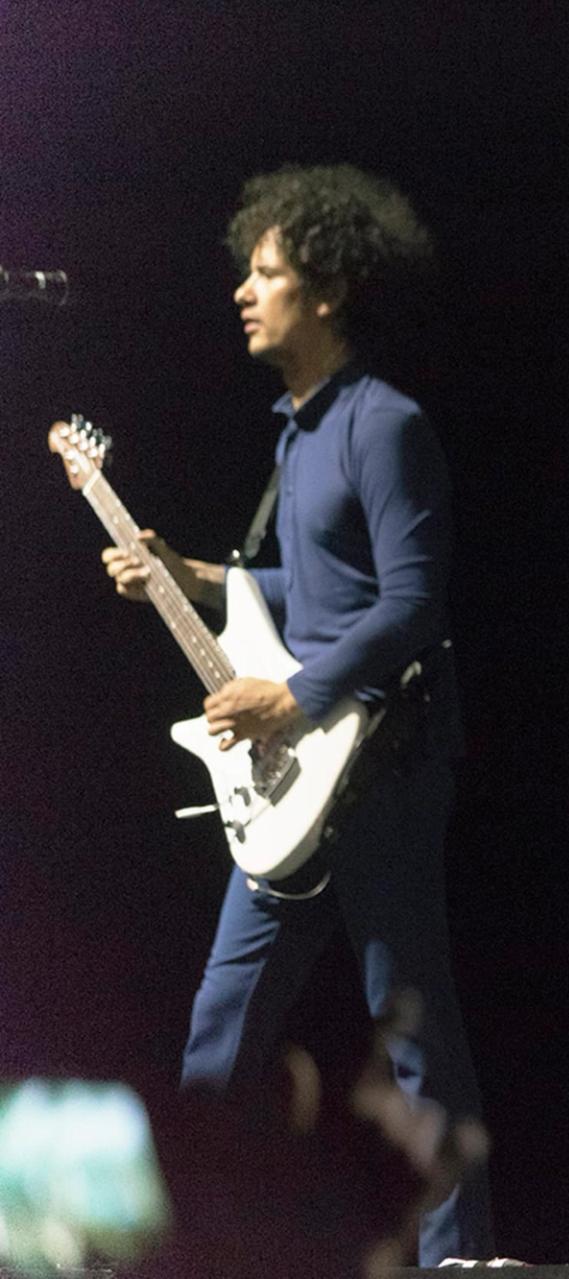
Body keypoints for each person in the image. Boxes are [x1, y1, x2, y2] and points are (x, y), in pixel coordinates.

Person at [98, 164, 491, 1265]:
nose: (242, 291)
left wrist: (296, 692)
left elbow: (414, 601)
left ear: (324, 288)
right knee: (219, 1025)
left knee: (409, 1025)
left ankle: (458, 1253)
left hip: (384, 763)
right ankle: (169, 1242)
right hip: (296, 781)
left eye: (265, 272)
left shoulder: (386, 423)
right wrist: (192, 571)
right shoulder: (295, 435)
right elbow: (310, 585)